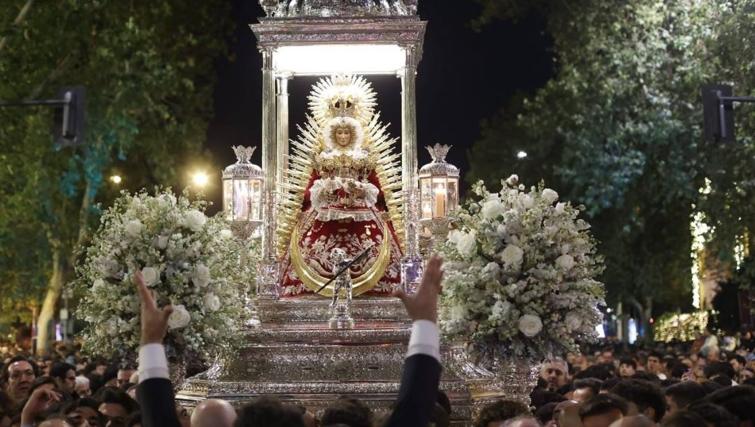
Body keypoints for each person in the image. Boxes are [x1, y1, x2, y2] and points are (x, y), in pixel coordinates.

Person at [279, 75, 404, 297]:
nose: (344, 136)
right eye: (339, 132)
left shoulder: (363, 156)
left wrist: (360, 189)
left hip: (361, 213)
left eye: (347, 132)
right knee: (308, 245)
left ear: (353, 133)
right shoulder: (324, 156)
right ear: (333, 134)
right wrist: (325, 189)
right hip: (326, 212)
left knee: (377, 246)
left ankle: (375, 292)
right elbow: (311, 190)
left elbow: (374, 188)